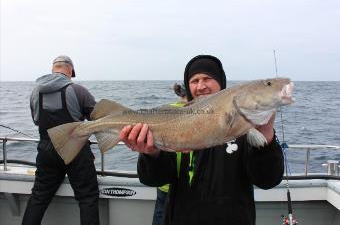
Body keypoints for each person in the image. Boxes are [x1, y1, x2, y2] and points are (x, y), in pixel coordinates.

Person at [119, 55, 284, 225]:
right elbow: (154, 180)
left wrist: (267, 141)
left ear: (221, 83)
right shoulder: (174, 123)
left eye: (207, 78)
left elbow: (267, 181)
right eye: (194, 80)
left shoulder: (244, 126)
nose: (200, 86)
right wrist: (151, 155)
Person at [22, 55, 100, 225]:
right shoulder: (78, 90)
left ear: (53, 69)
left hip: (46, 150)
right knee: (87, 198)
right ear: (70, 70)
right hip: (76, 151)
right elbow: (97, 117)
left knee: (39, 197)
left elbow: (36, 120)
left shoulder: (36, 92)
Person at [152, 83, 187, 225]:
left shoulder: (166, 110)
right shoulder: (197, 112)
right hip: (184, 184)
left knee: (161, 217)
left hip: (164, 184)